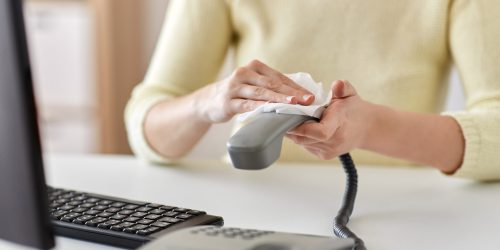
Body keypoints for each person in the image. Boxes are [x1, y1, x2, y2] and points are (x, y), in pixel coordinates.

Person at [125, 0, 500, 181]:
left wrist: (369, 128)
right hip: (253, 204)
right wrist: (208, 102)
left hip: (407, 209)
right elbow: (147, 128)